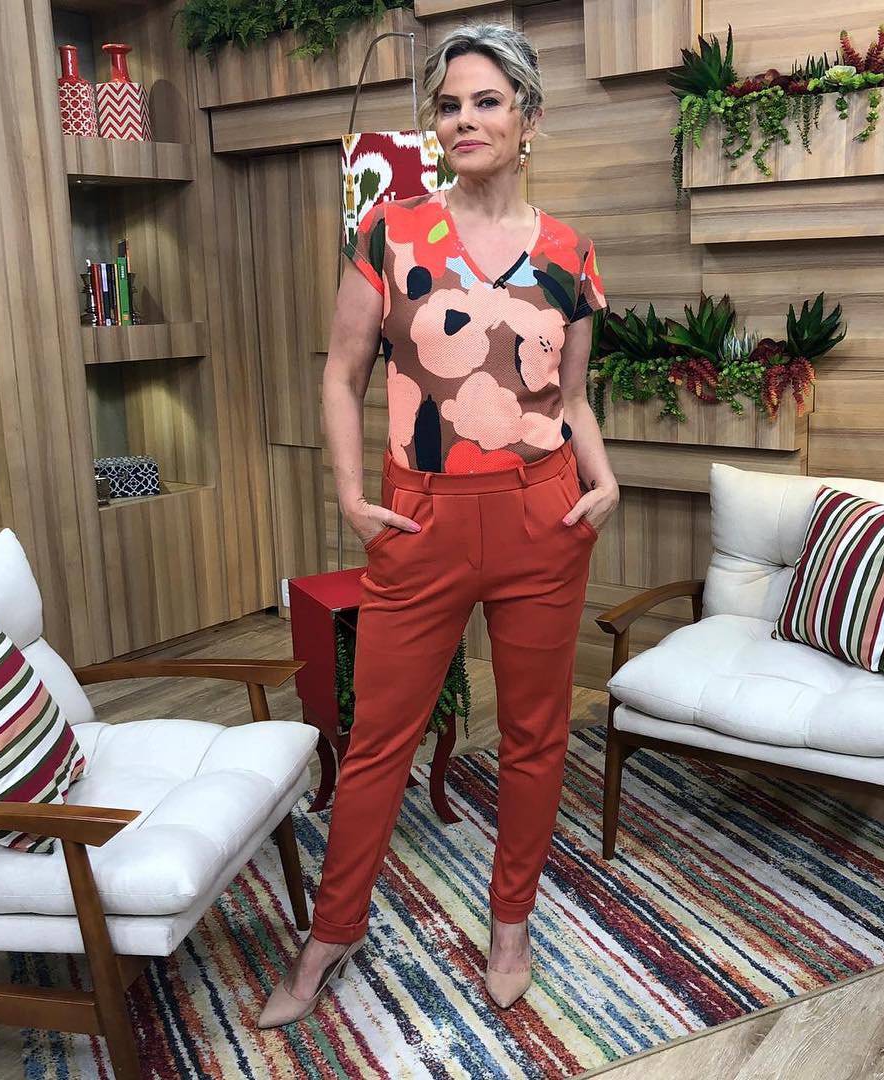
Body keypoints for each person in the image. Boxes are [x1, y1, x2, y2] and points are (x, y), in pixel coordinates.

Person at [259, 21, 620, 1029]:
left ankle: (511, 923)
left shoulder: (569, 252)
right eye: (449, 105)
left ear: (527, 117)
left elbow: (572, 398)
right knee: (379, 736)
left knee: (536, 735)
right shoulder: (391, 230)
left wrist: (606, 480)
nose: (465, 119)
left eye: (487, 101)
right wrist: (350, 496)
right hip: (419, 520)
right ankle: (333, 931)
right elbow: (341, 374)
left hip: (545, 516)